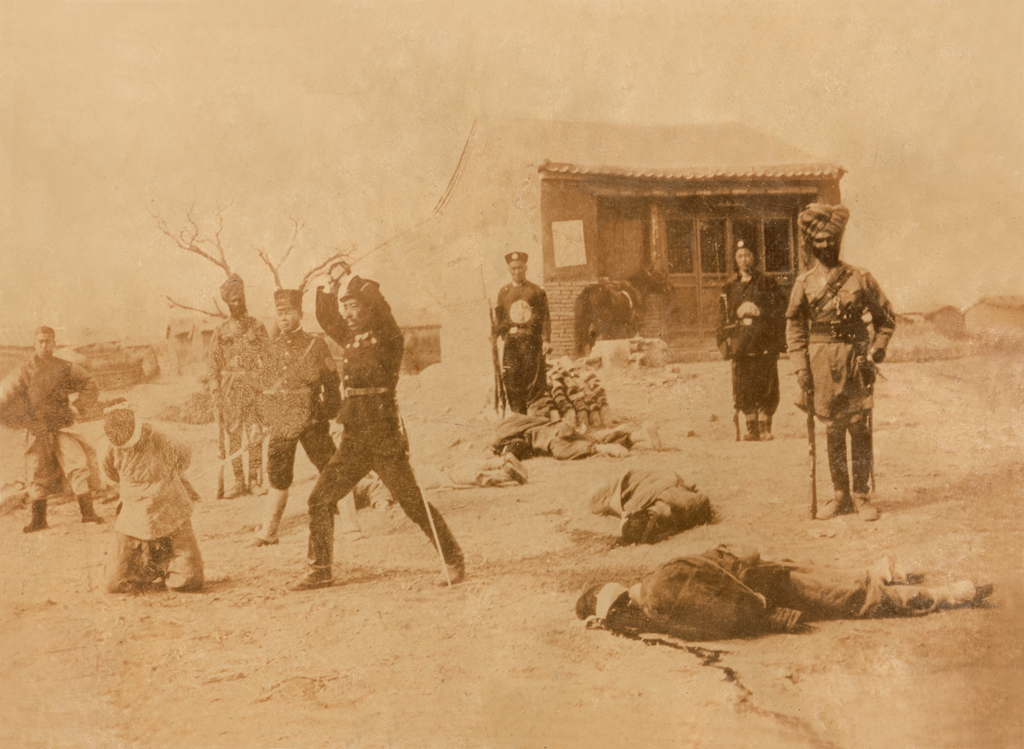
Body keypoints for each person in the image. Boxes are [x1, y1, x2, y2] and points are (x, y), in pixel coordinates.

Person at [290, 275, 465, 590]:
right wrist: (331, 288)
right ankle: (320, 570)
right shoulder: (351, 337)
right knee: (319, 498)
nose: (348, 314)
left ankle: (452, 559)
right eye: (346, 308)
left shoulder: (387, 336)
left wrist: (362, 286)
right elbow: (327, 318)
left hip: (383, 436)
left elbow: (381, 309)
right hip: (356, 437)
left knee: (412, 503)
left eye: (354, 306)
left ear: (367, 307)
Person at [576, 544, 993, 641]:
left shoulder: (656, 601)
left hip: (772, 589)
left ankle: (952, 594)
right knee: (836, 580)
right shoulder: (657, 573)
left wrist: (769, 614)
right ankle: (887, 572)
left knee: (859, 600)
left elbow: (726, 611)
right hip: (762, 569)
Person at [786, 204, 896, 521]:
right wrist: (800, 367)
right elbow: (794, 328)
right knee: (833, 429)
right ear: (810, 244)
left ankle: (862, 495)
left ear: (839, 239)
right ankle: (840, 495)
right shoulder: (804, 282)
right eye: (817, 240)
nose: (823, 245)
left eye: (829, 239)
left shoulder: (860, 278)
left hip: (854, 361)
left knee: (859, 427)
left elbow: (886, 319)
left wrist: (876, 349)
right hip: (820, 363)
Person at [251, 288, 343, 547]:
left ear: (300, 314)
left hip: (312, 420)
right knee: (278, 475)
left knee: (331, 469)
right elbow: (261, 388)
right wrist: (261, 420)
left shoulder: (315, 344)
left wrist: (326, 414)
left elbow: (332, 384)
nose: (284, 318)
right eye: (280, 313)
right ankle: (269, 531)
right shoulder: (270, 348)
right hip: (282, 421)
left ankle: (350, 526)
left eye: (289, 313)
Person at [0, 326, 104, 532]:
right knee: (36, 471)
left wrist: (76, 407)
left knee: (77, 465)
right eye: (40, 341)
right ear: (34, 343)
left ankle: (88, 514)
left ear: (54, 343)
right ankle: (39, 520)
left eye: (48, 341)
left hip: (63, 425)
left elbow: (90, 383)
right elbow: (4, 396)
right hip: (38, 428)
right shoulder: (24, 370)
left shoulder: (65, 367)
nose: (44, 345)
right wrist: (21, 420)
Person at [101, 405, 204, 593]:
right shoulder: (108, 446)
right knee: (115, 583)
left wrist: (161, 481)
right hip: (132, 509)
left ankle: (167, 563)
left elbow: (182, 461)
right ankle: (150, 567)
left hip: (169, 503)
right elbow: (111, 472)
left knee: (189, 580)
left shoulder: (166, 437)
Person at [207, 273, 270, 498]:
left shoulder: (257, 326)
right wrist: (215, 389)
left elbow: (270, 358)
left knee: (254, 433)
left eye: (240, 298)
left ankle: (254, 480)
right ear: (227, 303)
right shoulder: (221, 331)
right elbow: (213, 364)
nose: (238, 302)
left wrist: (266, 384)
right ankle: (238, 481)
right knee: (233, 435)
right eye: (233, 300)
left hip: (253, 387)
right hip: (230, 389)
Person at [717, 239, 786, 441]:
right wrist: (724, 343)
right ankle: (751, 427)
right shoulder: (729, 286)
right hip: (741, 342)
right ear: (735, 260)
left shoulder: (767, 283)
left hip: (763, 339)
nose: (744, 259)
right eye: (740, 256)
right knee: (744, 383)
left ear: (754, 258)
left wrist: (761, 311)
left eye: (748, 255)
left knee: (767, 382)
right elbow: (722, 317)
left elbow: (781, 309)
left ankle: (765, 426)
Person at [587, 469, 713, 545]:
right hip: (653, 482)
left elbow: (702, 501)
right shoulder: (684, 508)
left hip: (656, 481)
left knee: (599, 501)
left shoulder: (635, 506)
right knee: (598, 501)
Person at [494, 251, 551, 414]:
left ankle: (535, 415)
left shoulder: (536, 291)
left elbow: (545, 317)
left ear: (525, 268)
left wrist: (546, 339)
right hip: (512, 344)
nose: (517, 272)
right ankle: (518, 416)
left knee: (534, 379)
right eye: (513, 269)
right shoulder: (504, 292)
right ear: (509, 270)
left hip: (531, 342)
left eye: (520, 268)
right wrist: (495, 334)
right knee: (512, 379)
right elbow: (500, 319)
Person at [490, 413, 658, 461]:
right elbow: (540, 419)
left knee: (565, 451)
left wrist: (505, 452)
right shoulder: (517, 419)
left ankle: (603, 448)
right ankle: (639, 435)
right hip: (560, 426)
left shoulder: (500, 437)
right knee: (592, 438)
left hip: (552, 438)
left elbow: (520, 446)